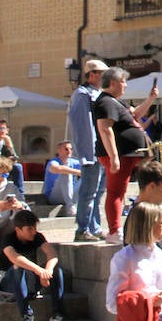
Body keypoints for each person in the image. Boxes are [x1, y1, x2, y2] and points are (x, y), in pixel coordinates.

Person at [94, 67, 156, 243]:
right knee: (115, 192)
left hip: (128, 154)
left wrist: (150, 99)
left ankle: (120, 228)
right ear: (112, 83)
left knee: (120, 191)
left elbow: (135, 115)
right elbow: (105, 129)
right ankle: (114, 231)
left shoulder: (117, 102)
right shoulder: (105, 102)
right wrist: (113, 157)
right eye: (123, 81)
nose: (125, 85)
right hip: (120, 154)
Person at [0, 208, 72, 321]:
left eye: (34, 228)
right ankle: (26, 316)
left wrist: (47, 271)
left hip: (31, 280)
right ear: (18, 229)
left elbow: (52, 253)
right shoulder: (8, 239)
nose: (33, 232)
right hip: (9, 285)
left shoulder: (37, 237)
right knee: (18, 267)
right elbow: (15, 258)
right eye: (29, 229)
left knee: (56, 270)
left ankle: (58, 312)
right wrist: (39, 270)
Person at [67, 58, 110, 241]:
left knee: (99, 191)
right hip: (92, 151)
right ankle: (83, 229)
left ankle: (95, 226)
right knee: (88, 192)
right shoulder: (82, 94)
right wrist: (87, 152)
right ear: (92, 75)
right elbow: (82, 126)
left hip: (101, 150)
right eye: (102, 75)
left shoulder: (99, 94)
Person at [42, 140, 80, 220]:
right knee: (65, 172)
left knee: (89, 176)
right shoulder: (53, 162)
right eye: (66, 149)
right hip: (54, 196)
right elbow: (56, 168)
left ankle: (92, 205)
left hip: (71, 193)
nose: (69, 151)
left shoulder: (73, 162)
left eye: (71, 149)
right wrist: (79, 172)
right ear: (59, 151)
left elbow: (89, 168)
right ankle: (70, 207)